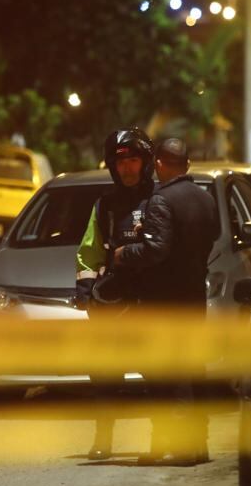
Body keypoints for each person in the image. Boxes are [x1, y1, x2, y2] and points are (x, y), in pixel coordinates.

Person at [113, 138, 220, 466]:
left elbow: (156, 249)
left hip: (163, 302)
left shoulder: (160, 200)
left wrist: (123, 254)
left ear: (158, 164)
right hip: (194, 300)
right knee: (193, 373)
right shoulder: (205, 198)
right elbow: (212, 237)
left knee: (164, 377)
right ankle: (198, 445)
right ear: (186, 164)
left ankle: (167, 445)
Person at [75, 128, 156, 460]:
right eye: (121, 162)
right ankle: (103, 440)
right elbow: (88, 253)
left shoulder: (160, 199)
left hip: (150, 303)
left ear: (146, 162)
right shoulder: (105, 205)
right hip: (112, 306)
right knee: (105, 376)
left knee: (157, 375)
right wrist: (85, 289)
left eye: (134, 160)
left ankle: (160, 441)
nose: (128, 169)